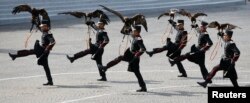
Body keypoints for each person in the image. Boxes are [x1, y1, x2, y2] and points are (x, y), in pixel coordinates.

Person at [99, 25, 147, 92]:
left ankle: (143, 87)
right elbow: (122, 31)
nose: (132, 31)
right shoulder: (134, 36)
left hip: (134, 57)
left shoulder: (139, 39)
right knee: (119, 58)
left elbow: (143, 49)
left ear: (137, 32)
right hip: (130, 55)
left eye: (133, 31)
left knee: (137, 73)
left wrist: (136, 55)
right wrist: (126, 24)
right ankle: (106, 67)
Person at [9, 21, 56, 86]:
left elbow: (53, 42)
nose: (41, 28)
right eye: (41, 27)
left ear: (46, 27)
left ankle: (15, 56)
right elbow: (40, 28)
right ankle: (50, 81)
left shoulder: (48, 34)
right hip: (42, 49)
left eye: (43, 27)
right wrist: (36, 23)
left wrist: (47, 48)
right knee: (46, 66)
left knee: (30, 52)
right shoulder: (45, 31)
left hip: (43, 51)